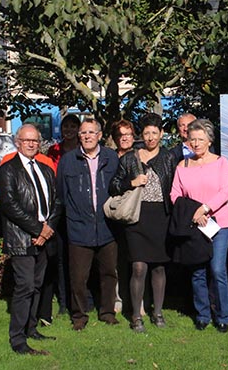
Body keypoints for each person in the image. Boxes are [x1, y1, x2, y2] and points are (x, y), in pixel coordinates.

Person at [0, 124, 62, 355]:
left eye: (35, 140)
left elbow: (56, 202)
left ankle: (31, 328)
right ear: (18, 142)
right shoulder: (8, 170)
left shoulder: (45, 169)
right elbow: (9, 205)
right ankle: (18, 339)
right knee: (24, 286)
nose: (32, 144)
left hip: (44, 237)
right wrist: (37, 229)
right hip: (21, 238)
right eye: (27, 140)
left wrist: (48, 229)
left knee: (37, 286)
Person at [109, 113, 176, 333]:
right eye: (146, 133)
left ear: (161, 134)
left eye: (154, 133)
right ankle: (136, 315)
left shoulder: (168, 157)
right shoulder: (130, 158)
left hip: (161, 216)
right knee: (138, 267)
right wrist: (132, 181)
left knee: (158, 267)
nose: (150, 137)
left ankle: (157, 312)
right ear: (141, 134)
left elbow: (177, 187)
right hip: (137, 217)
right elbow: (114, 185)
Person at [57, 118, 120, 331]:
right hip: (78, 226)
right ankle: (79, 316)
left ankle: (107, 312)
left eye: (91, 132)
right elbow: (61, 194)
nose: (87, 136)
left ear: (100, 135)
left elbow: (118, 188)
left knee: (108, 274)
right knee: (78, 277)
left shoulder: (111, 158)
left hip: (107, 227)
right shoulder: (67, 160)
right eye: (83, 133)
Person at [170, 119, 228, 333]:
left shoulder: (221, 162)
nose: (196, 143)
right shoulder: (182, 166)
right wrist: (193, 213)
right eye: (192, 139)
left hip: (219, 223)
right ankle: (203, 315)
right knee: (197, 271)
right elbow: (175, 195)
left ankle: (223, 316)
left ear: (209, 140)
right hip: (194, 225)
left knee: (217, 270)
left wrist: (204, 209)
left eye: (200, 139)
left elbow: (225, 191)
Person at [37, 114, 81, 324]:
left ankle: (83, 298)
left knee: (80, 256)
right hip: (59, 208)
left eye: (74, 126)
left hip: (80, 209)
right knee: (62, 257)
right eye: (66, 126)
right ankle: (63, 301)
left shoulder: (84, 149)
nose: (69, 130)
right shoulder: (54, 151)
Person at [109, 119, 138, 317]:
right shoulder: (109, 158)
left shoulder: (139, 156)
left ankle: (138, 300)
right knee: (116, 261)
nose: (125, 138)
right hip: (115, 213)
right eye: (120, 135)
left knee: (137, 261)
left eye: (128, 134)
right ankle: (118, 299)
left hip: (135, 212)